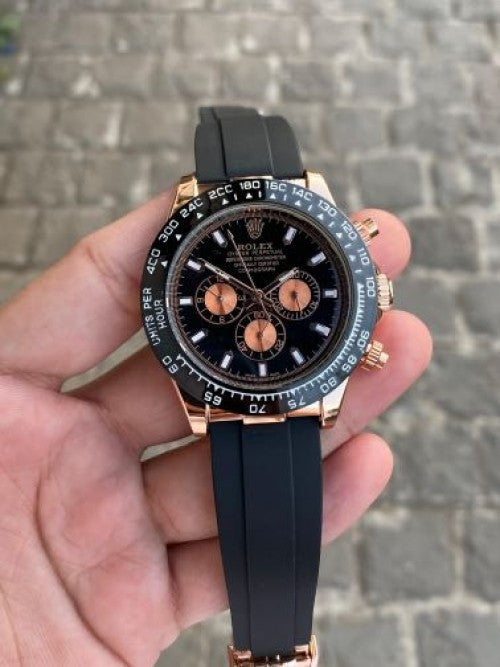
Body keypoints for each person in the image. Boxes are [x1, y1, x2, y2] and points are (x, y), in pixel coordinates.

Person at [0, 186, 432, 665]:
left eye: (286, 292)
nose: (262, 299)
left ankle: (277, 649)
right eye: (239, 293)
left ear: (373, 293)